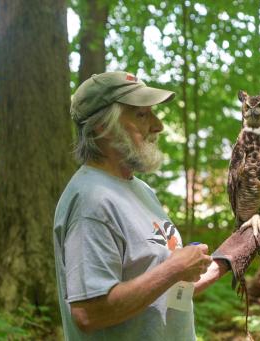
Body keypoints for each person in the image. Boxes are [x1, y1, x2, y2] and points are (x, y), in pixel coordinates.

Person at [53, 71, 231, 340]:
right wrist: (174, 268)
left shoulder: (139, 190)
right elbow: (89, 313)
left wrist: (234, 254)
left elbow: (163, 291)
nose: (158, 125)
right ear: (104, 126)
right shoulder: (92, 201)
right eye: (141, 115)